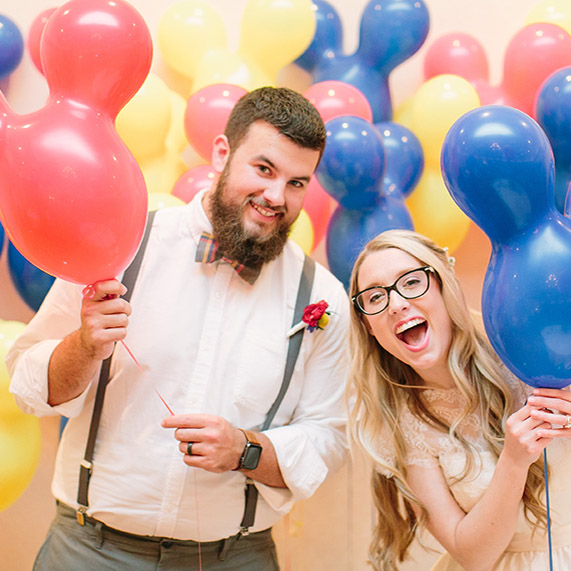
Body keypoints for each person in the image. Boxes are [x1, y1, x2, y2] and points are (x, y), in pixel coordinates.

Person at [7, 87, 350, 570]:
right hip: (88, 552)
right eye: (264, 169)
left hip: (237, 557)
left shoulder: (322, 297)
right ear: (222, 153)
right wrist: (83, 344)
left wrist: (246, 450)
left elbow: (330, 435)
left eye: (297, 183)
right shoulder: (117, 244)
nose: (276, 197)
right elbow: (27, 386)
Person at [347, 229, 571, 570]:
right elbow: (474, 556)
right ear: (368, 327)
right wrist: (512, 462)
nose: (396, 304)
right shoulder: (402, 426)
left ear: (443, 284)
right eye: (375, 297)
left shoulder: (524, 353)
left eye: (410, 282)